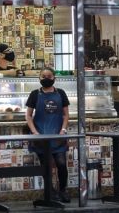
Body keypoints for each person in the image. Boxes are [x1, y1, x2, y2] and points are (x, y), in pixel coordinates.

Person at [25, 67, 71, 203]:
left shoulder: (61, 93)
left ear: (54, 77)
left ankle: (63, 190)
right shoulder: (34, 94)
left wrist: (63, 130)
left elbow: (66, 114)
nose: (46, 79)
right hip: (40, 136)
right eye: (43, 76)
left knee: (61, 164)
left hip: (58, 136)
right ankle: (51, 191)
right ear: (39, 78)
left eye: (49, 76)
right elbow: (28, 115)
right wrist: (34, 132)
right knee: (46, 165)